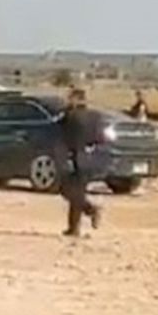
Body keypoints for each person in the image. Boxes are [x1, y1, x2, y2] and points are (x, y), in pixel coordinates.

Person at [59, 88, 102, 238]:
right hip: (89, 158)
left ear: (76, 99)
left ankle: (90, 209)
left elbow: (63, 133)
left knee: (67, 190)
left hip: (74, 157)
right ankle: (73, 227)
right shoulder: (94, 117)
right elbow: (99, 138)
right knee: (78, 191)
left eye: (70, 98)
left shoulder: (71, 116)